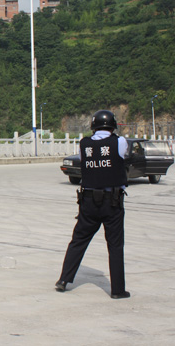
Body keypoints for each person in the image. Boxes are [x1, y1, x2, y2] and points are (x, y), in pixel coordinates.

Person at [55, 110, 130, 299]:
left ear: (93, 126)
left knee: (78, 240)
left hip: (88, 202)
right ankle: (117, 290)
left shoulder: (84, 144)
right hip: (112, 202)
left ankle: (64, 279)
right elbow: (123, 156)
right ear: (112, 126)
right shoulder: (119, 142)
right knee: (115, 245)